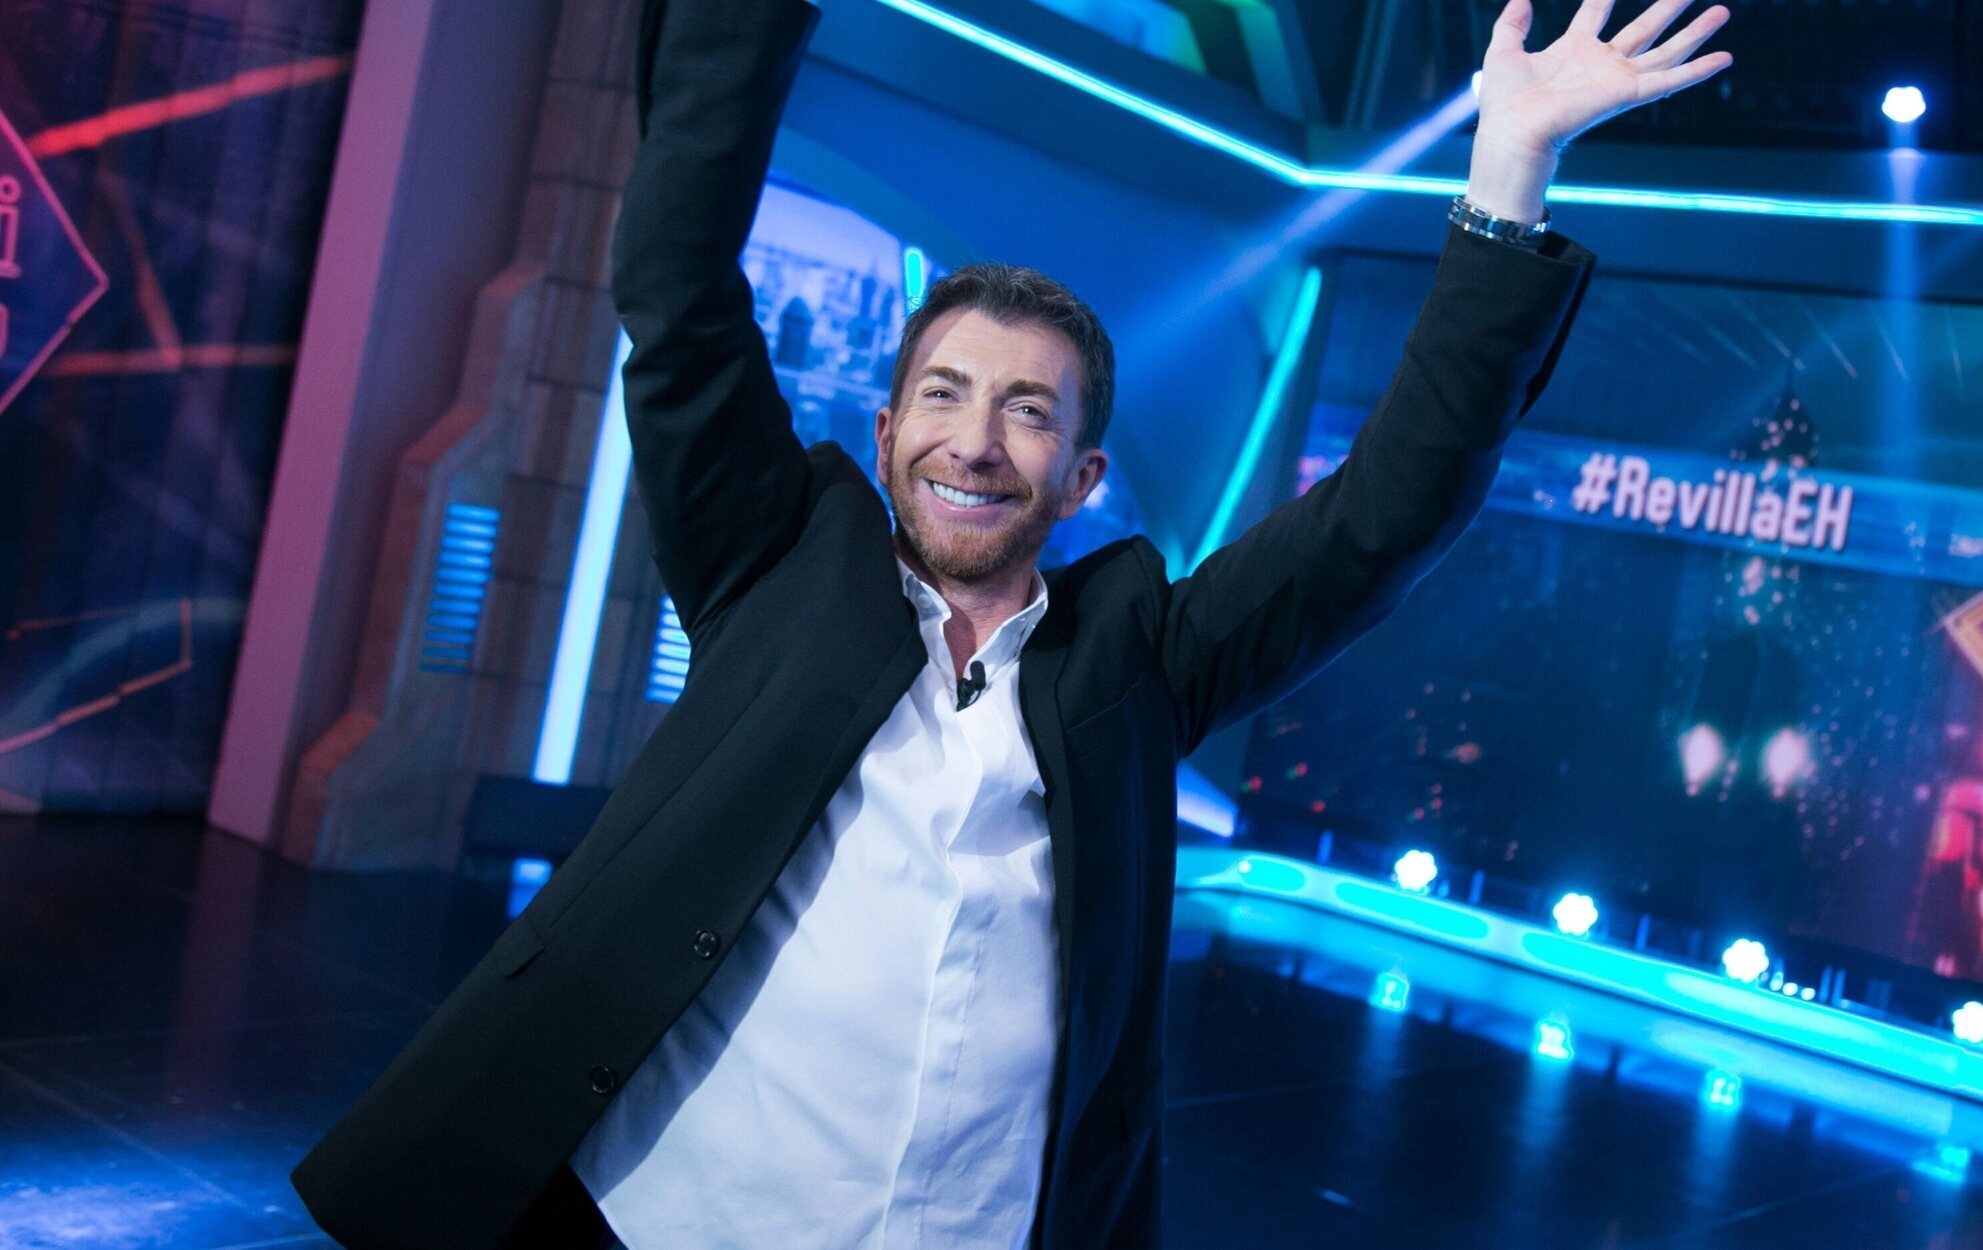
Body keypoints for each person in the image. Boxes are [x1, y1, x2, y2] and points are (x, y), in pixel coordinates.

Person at [293, 0, 1730, 1246]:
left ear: (1084, 476)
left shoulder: (1141, 658)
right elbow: (677, 291)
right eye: (944, 394)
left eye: (1028, 411)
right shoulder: (776, 566)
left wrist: (1508, 167)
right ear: (886, 432)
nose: (976, 442)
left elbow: (1388, 511)